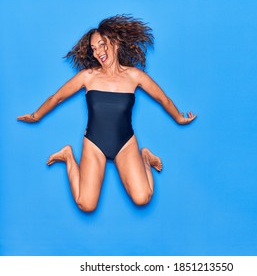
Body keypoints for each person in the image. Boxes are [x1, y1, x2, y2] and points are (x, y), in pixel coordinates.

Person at [17, 15, 196, 212]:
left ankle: (144, 157)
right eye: (94, 49)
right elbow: (56, 97)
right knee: (86, 204)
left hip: (125, 143)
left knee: (143, 198)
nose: (98, 52)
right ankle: (68, 156)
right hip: (95, 143)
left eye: (102, 45)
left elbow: (163, 99)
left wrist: (179, 117)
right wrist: (36, 115)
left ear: (115, 43)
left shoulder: (134, 76)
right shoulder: (89, 77)